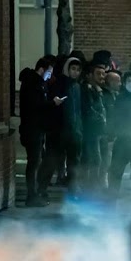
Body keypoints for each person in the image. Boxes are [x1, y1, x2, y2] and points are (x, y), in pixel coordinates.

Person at [39, 56, 83, 198]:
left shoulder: (77, 86)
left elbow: (78, 110)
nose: (75, 72)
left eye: (78, 70)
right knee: (51, 161)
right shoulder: (59, 84)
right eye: (73, 69)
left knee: (73, 162)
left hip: (73, 132)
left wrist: (78, 129)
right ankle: (41, 188)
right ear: (67, 69)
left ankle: (73, 188)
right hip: (59, 131)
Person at [18, 55, 59, 207]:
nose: (50, 75)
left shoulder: (38, 83)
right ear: (41, 69)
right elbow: (34, 106)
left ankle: (34, 193)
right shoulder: (32, 83)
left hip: (36, 128)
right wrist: (52, 103)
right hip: (32, 129)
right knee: (34, 162)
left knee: (37, 161)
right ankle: (31, 195)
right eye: (49, 71)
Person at [81, 62, 109, 192]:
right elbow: (89, 110)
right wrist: (101, 119)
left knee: (100, 158)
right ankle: (91, 187)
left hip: (100, 130)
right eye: (98, 74)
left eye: (103, 74)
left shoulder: (100, 90)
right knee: (94, 159)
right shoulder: (87, 90)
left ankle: (94, 186)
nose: (102, 76)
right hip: (92, 131)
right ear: (90, 75)